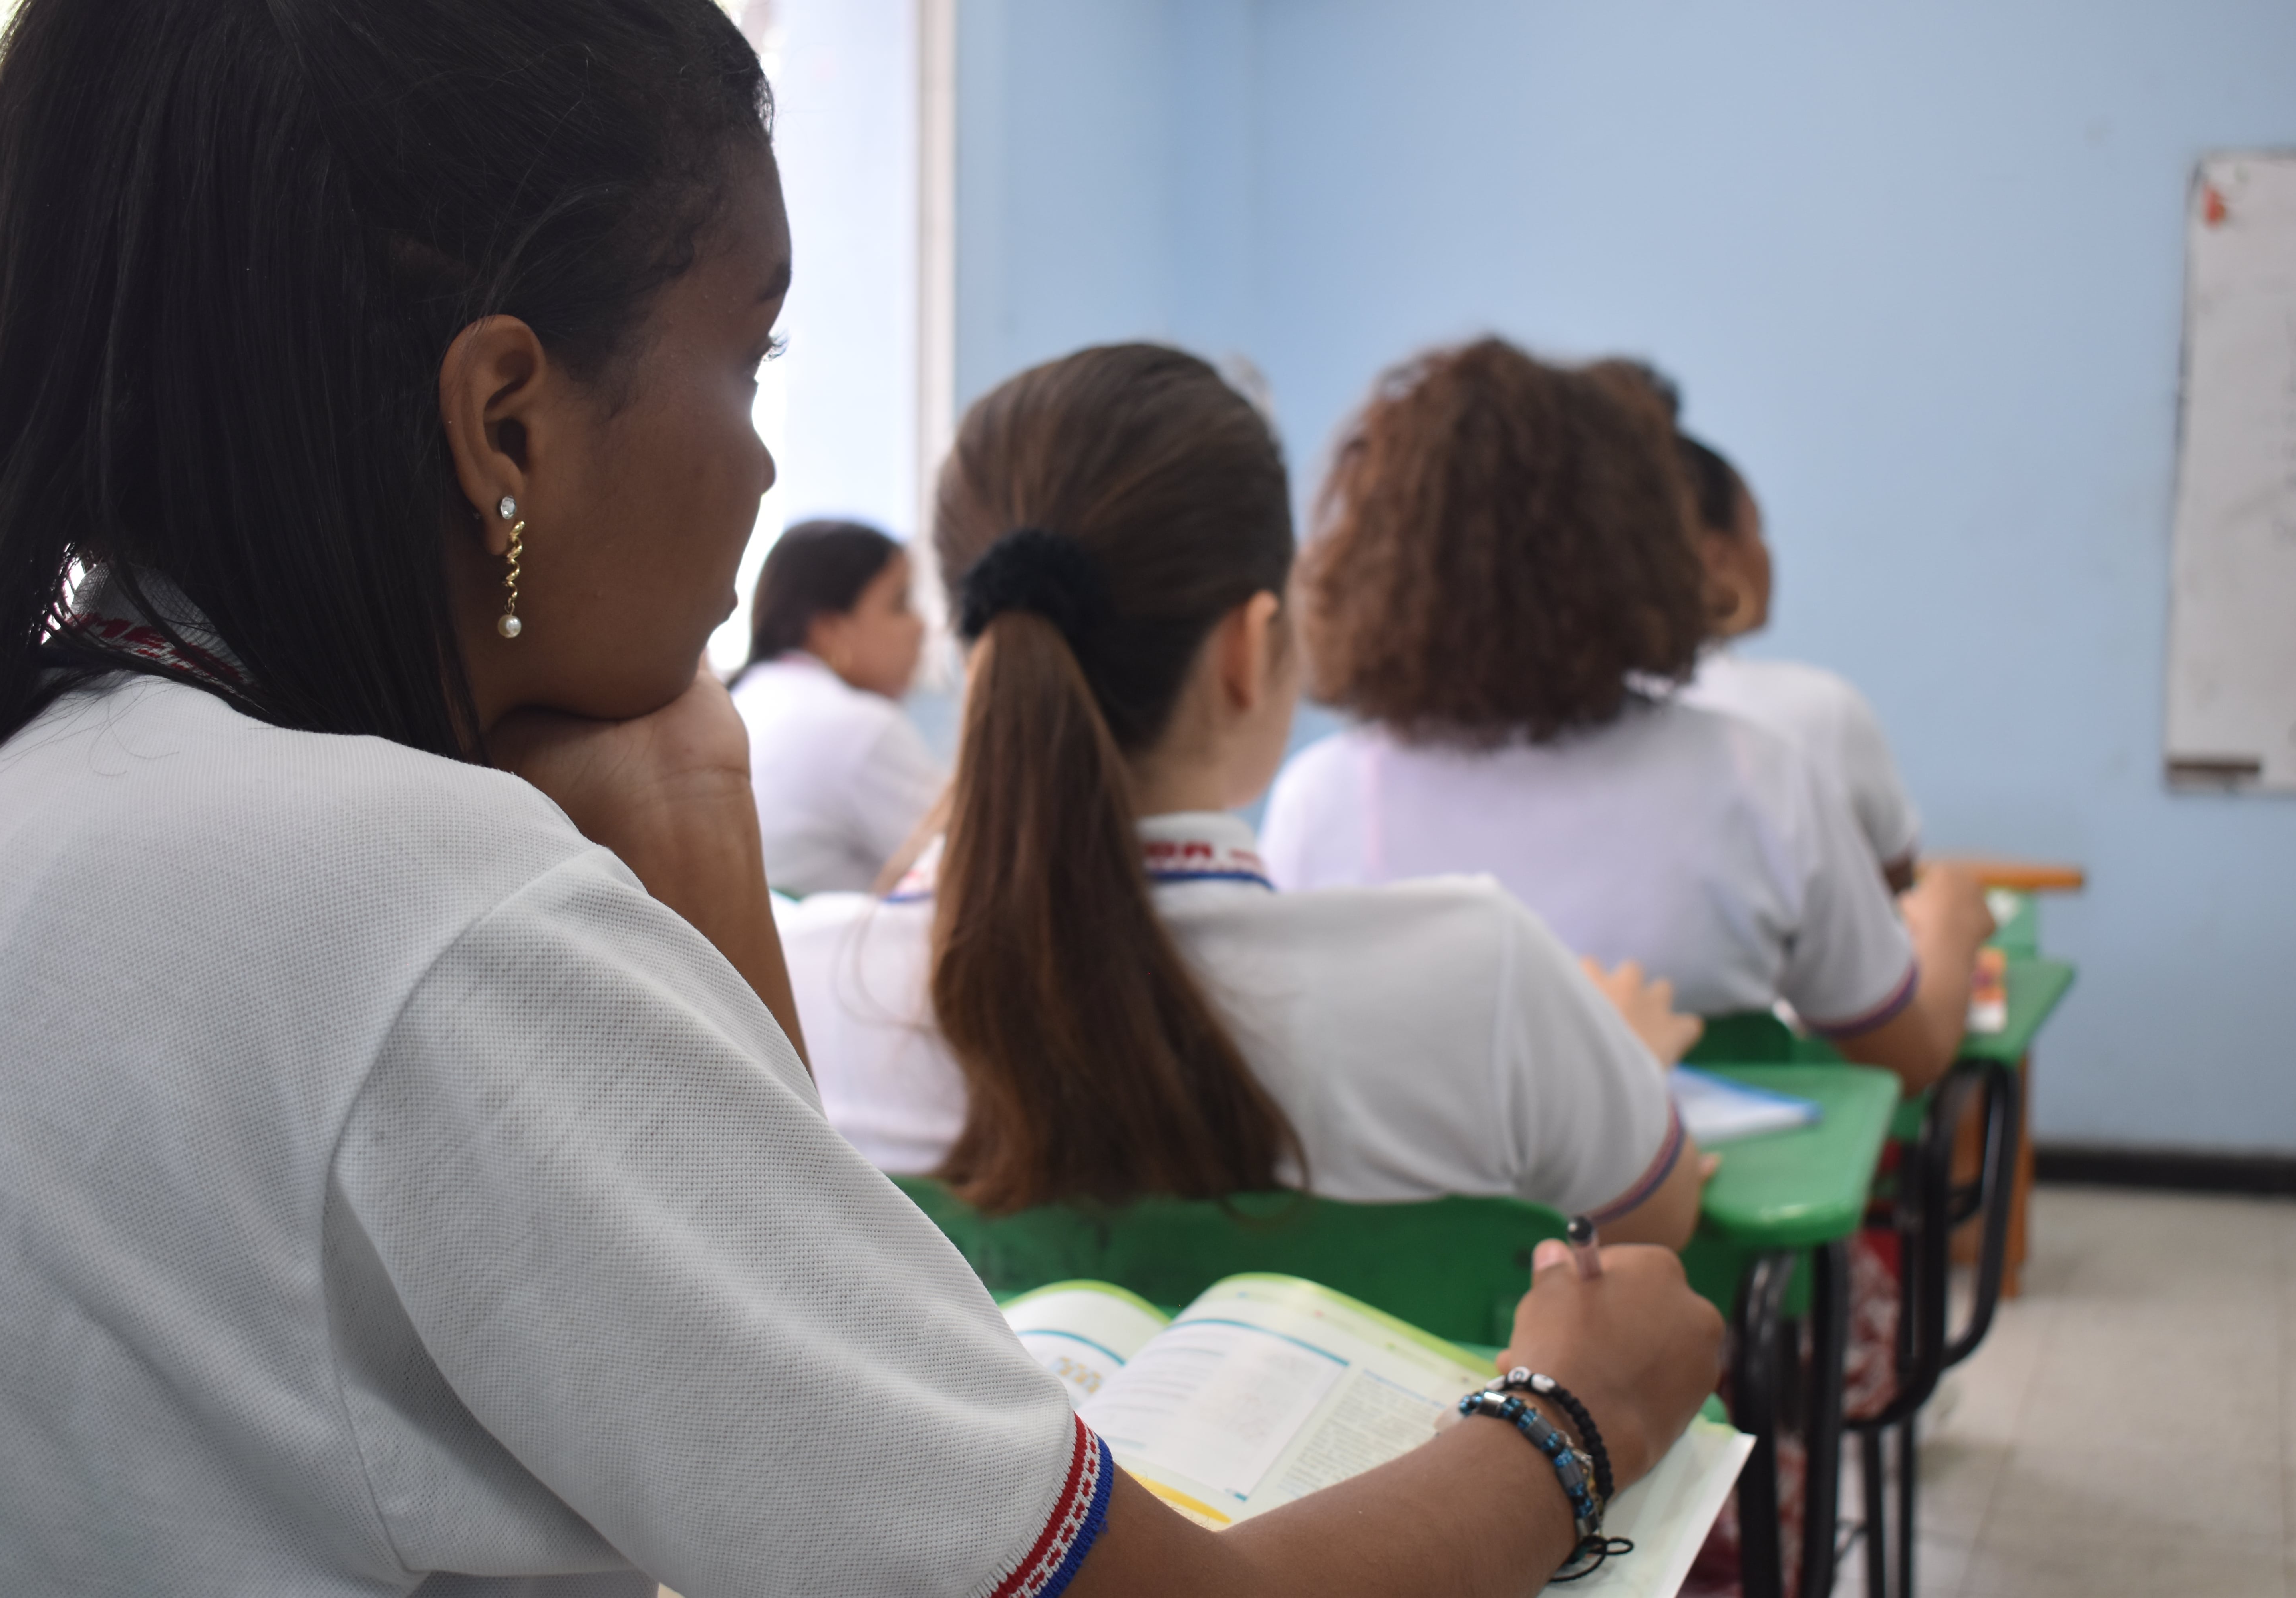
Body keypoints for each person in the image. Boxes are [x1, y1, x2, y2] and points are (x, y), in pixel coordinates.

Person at [0, 4, 1722, 1596]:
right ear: (505, 425)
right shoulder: (434, 921)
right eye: (753, 356)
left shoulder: (16, 799)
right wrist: (1570, 1417)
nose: (772, 459)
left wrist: (701, 809)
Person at [779, 343, 1708, 1246]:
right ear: (1246, 647)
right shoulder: (1486, 979)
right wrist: (1616, 1064)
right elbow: (1655, 1230)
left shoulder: (801, 993)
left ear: (975, 641)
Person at [1262, 339, 1991, 1095]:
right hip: (1693, 1206)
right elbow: (1906, 1060)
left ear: (1375, 558)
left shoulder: (1324, 800)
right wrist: (1949, 933)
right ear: (1648, 545)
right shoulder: (1755, 777)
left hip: (1426, 1214)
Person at [1672, 427, 1925, 892]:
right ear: (1717, 558)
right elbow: (1893, 889)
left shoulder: (1546, 727)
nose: (1766, 555)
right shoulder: (1818, 711)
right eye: (1758, 531)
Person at [729, 518, 943, 895]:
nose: (921, 626)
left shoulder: (743, 698)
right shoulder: (862, 730)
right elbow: (984, 872)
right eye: (900, 603)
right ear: (829, 631)